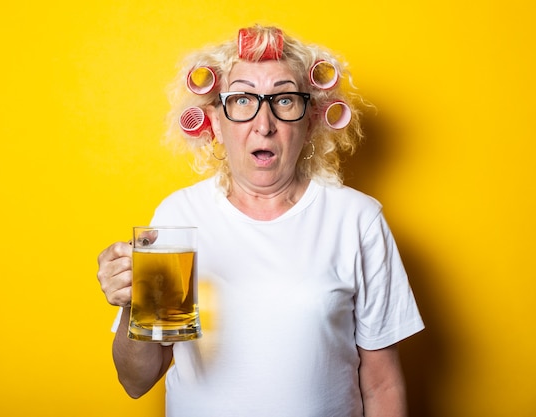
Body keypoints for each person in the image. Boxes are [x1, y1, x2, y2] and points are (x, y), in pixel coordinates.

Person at [97, 25, 424, 417]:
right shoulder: (179, 217)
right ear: (215, 122)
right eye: (241, 100)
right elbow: (137, 381)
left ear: (310, 121)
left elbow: (382, 383)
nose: (264, 123)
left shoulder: (356, 220)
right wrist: (135, 304)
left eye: (284, 100)